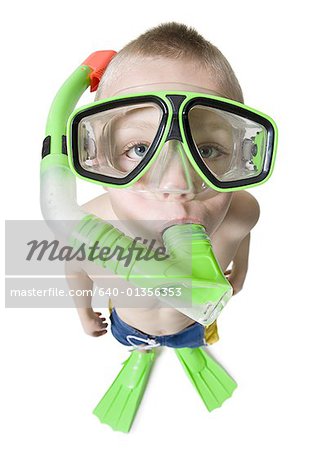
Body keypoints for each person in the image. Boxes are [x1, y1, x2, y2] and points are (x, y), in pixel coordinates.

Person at [62, 22, 276, 431]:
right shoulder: (87, 230)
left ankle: (182, 349)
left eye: (209, 149)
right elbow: (73, 269)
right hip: (129, 327)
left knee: (189, 335)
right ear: (95, 155)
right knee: (136, 340)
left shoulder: (241, 213)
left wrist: (242, 271)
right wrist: (83, 310)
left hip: (195, 323)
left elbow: (245, 233)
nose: (177, 184)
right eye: (139, 149)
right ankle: (142, 352)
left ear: (243, 156)